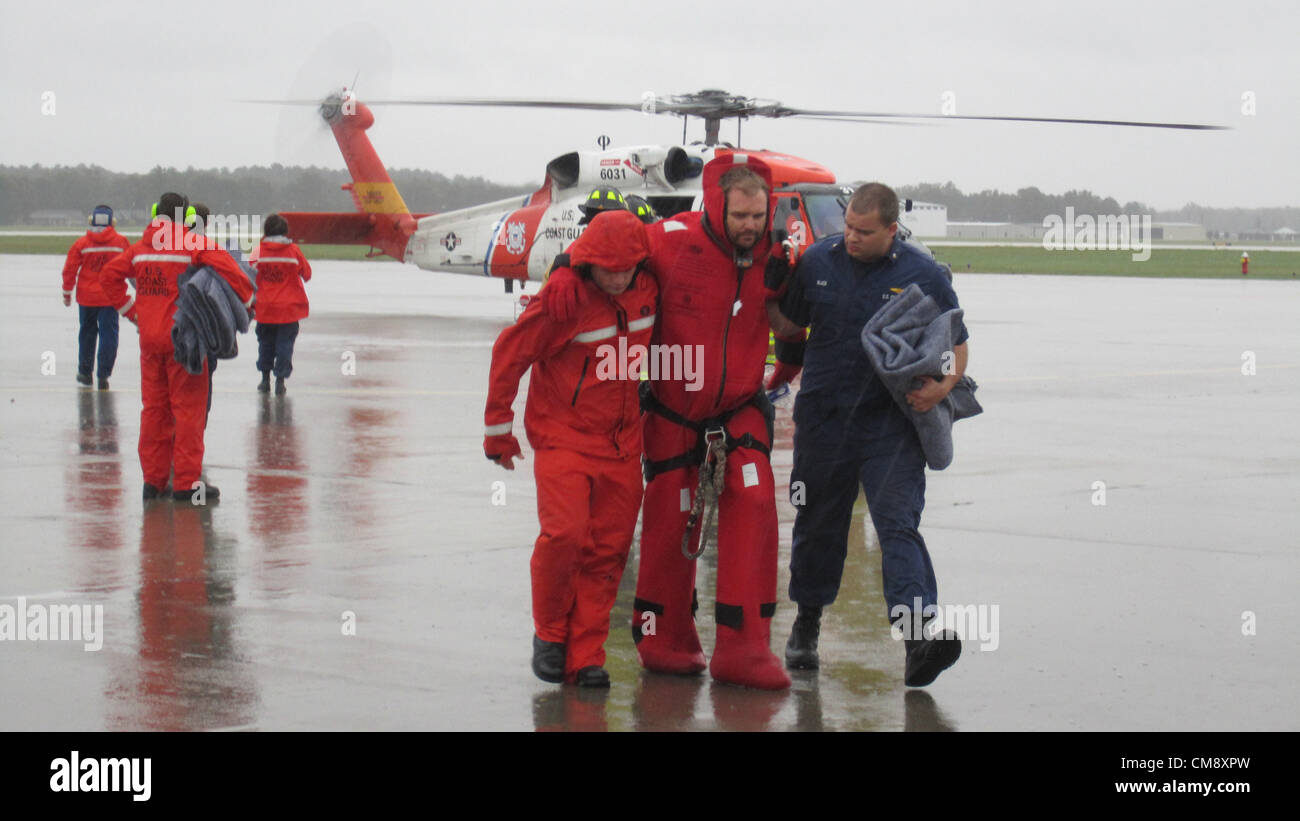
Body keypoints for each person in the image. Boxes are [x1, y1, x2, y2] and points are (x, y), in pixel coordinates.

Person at [543, 154, 795, 690]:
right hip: (673, 412)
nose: (751, 226)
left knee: (753, 502)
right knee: (672, 516)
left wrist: (789, 362)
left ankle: (746, 647)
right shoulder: (668, 240)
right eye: (741, 215)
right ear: (717, 206)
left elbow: (818, 293)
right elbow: (610, 243)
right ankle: (663, 639)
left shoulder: (779, 255)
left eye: (759, 215)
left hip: (740, 405)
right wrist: (568, 263)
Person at [766, 182, 969, 687]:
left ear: (891, 230)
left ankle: (918, 639)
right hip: (825, 420)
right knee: (818, 524)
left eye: (864, 231)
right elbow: (786, 327)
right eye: (848, 227)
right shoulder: (818, 262)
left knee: (898, 525)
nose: (851, 238)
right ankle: (807, 625)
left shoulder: (921, 273)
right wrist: (767, 286)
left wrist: (941, 388)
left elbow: (957, 343)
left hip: (889, 427)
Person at [484, 210, 656, 687]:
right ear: (588, 263)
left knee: (608, 552)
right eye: (608, 268)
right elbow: (510, 353)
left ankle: (587, 656)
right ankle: (551, 633)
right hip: (564, 436)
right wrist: (498, 430)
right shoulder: (565, 299)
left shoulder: (648, 284)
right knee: (565, 535)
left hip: (623, 443)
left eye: (628, 268)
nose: (619, 277)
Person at [100, 192, 256, 503]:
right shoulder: (190, 244)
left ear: (157, 213)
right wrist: (249, 302)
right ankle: (186, 484)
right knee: (188, 412)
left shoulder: (141, 248)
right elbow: (230, 269)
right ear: (184, 218)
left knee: (154, 411)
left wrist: (134, 313)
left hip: (150, 342)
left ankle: (153, 482)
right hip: (182, 341)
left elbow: (108, 277)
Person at [62, 205, 130, 390]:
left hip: (86, 297)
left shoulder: (82, 244)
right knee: (109, 335)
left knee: (87, 333)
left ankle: (85, 372)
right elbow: (131, 267)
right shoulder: (121, 242)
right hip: (110, 297)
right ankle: (103, 374)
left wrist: (67, 292)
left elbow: (70, 269)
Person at [251, 214, 312, 395]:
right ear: (285, 232)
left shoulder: (258, 251)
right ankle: (280, 380)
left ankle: (264, 379)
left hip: (265, 308)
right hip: (289, 309)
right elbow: (307, 274)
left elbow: (247, 275)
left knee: (265, 343)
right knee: (285, 344)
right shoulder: (293, 251)